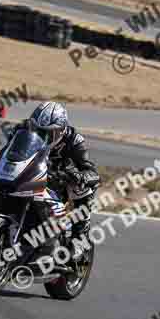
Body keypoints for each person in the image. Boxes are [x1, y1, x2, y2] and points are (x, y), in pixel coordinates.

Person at [13, 101, 100, 253]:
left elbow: (92, 172)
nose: (43, 136)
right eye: (38, 130)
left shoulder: (74, 140)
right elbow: (9, 152)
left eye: (49, 132)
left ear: (61, 130)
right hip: (32, 177)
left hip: (59, 182)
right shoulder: (22, 129)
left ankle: (80, 234)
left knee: (82, 186)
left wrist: (80, 176)